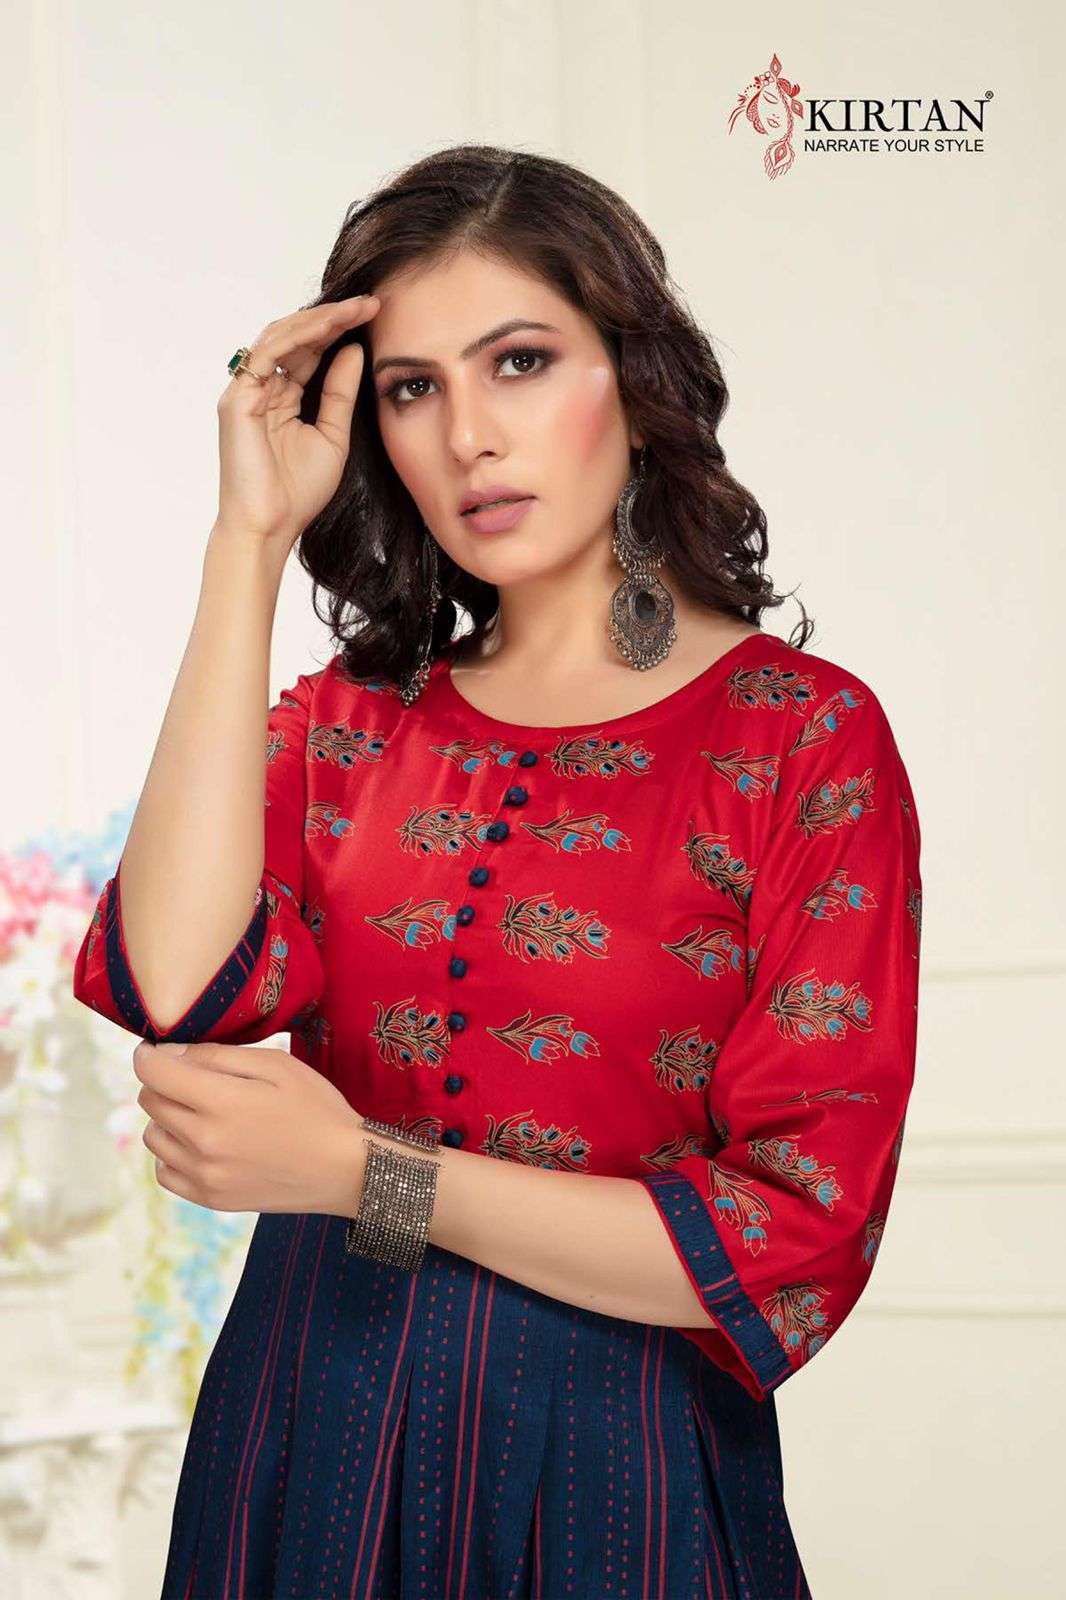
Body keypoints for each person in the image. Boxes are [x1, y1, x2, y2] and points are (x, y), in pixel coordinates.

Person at [72, 144, 923, 1599]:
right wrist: (248, 541)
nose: (468, 434)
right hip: (304, 1443)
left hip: (616, 1471)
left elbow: (792, 1232)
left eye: (518, 362)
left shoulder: (799, 739)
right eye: (413, 388)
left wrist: (367, 1174)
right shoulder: (351, 726)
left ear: (633, 381)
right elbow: (173, 983)